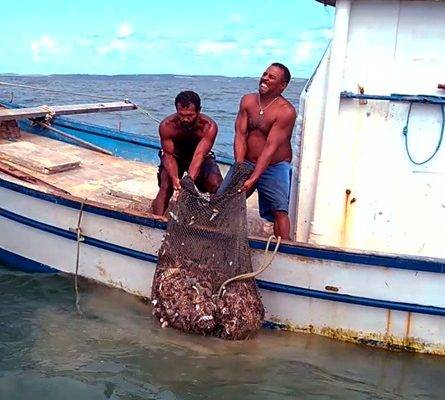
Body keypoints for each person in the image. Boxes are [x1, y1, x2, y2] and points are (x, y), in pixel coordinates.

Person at [219, 63, 296, 240]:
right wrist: (240, 166)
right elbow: (240, 134)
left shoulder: (286, 112)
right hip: (247, 161)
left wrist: (254, 178)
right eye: (265, 74)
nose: (265, 79)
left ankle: (284, 247)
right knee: (223, 201)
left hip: (274, 165)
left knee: (280, 211)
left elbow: (270, 148)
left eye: (271, 77)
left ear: (282, 85)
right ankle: (216, 239)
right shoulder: (247, 101)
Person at [152, 90, 223, 216]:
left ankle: (215, 219)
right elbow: (168, 155)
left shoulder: (209, 126)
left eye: (190, 115)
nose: (185, 119)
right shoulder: (167, 125)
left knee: (215, 184)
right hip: (175, 156)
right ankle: (157, 219)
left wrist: (188, 182)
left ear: (199, 110)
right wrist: (175, 179)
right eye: (181, 115)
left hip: (200, 157)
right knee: (166, 185)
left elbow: (199, 156)